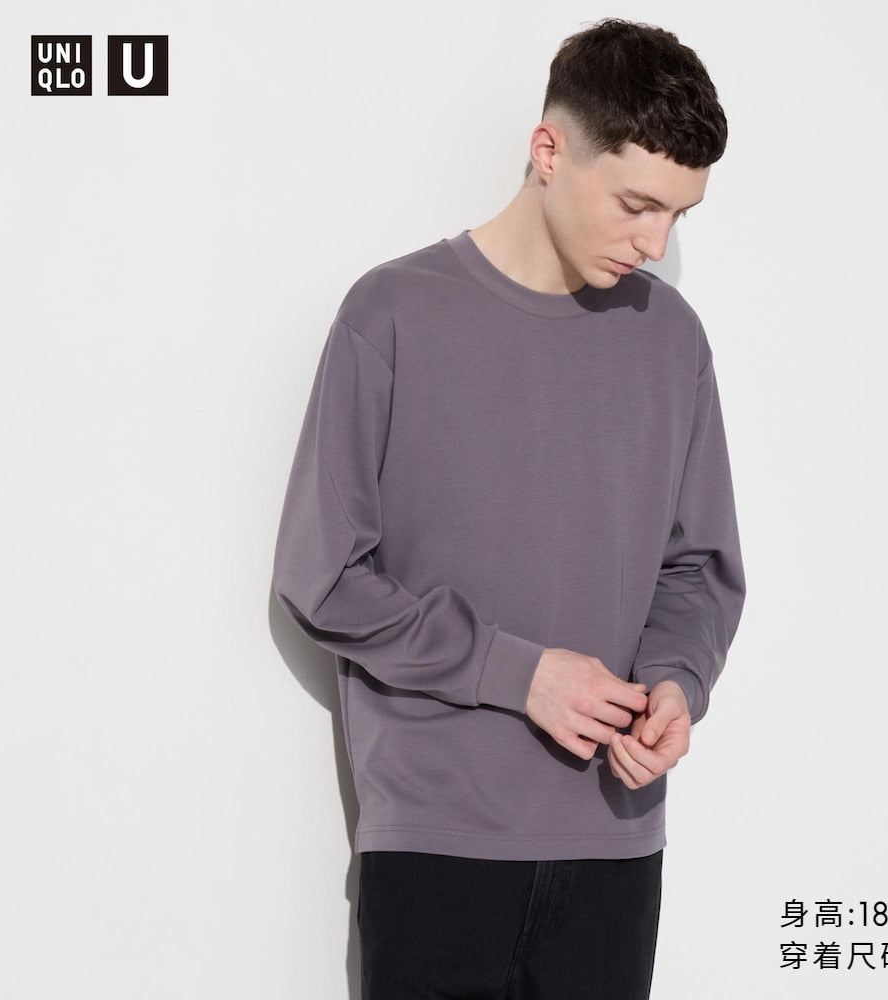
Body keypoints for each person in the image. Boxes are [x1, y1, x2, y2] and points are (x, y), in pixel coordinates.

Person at [272, 17, 746, 1000]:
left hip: (615, 845)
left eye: (678, 215)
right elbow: (323, 576)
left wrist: (675, 681)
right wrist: (520, 675)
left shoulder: (670, 341)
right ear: (548, 151)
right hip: (437, 843)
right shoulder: (391, 314)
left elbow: (697, 568)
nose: (655, 242)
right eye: (636, 204)